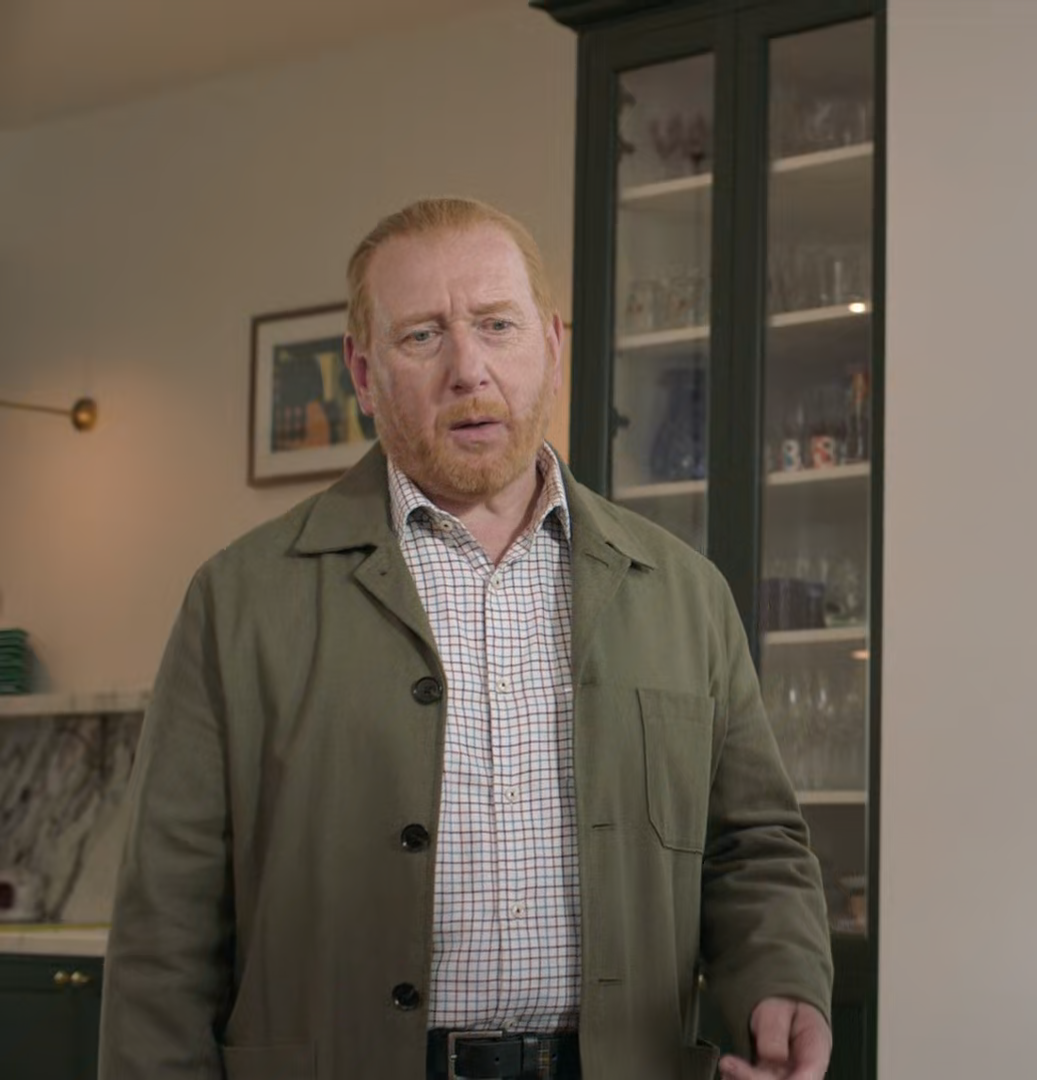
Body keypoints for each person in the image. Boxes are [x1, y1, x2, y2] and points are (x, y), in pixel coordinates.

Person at [100, 197, 833, 1080]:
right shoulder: (239, 601)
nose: (468, 369)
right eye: (422, 336)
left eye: (497, 325)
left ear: (551, 347)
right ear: (363, 372)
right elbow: (165, 924)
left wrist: (782, 980)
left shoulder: (686, 594)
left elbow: (754, 848)